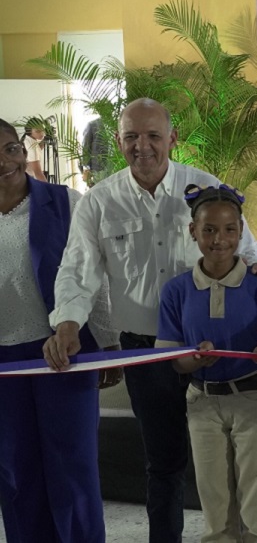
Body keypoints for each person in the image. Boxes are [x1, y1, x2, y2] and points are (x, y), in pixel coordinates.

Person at [43, 98, 257, 543]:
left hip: (211, 344)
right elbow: (77, 269)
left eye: (152, 136)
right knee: (163, 462)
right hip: (145, 349)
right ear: (120, 142)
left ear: (172, 139)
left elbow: (247, 251)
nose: (141, 147)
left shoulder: (204, 188)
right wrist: (67, 322)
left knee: (227, 458)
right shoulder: (100, 202)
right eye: (130, 138)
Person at [0, 118, 118, 543]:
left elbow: (93, 274)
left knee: (72, 470)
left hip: (63, 353)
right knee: (15, 474)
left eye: (10, 148)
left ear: (23, 149)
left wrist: (106, 342)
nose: (5, 161)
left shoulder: (66, 201)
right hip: (3, 365)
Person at [156, 184, 257, 543]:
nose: (219, 239)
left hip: (255, 401)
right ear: (193, 231)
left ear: (241, 232)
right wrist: (194, 361)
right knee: (216, 521)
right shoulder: (176, 291)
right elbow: (174, 360)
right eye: (209, 229)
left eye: (230, 229)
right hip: (202, 406)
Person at [81, 118, 112, 186]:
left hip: (117, 167)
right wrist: (86, 170)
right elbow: (85, 149)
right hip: (98, 170)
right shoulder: (93, 125)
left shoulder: (119, 123)